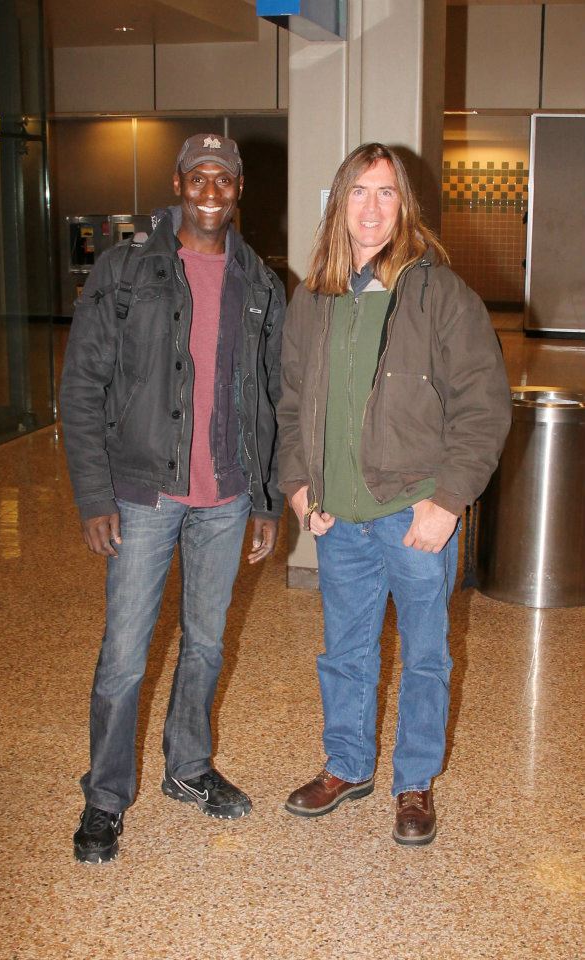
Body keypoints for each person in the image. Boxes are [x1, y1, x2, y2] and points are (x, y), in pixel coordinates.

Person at [277, 142, 511, 845]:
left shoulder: (438, 293)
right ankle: (346, 765)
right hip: (338, 519)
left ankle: (412, 782)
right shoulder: (313, 297)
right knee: (343, 654)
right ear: (338, 204)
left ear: (402, 205)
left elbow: (483, 406)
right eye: (358, 192)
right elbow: (289, 402)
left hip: (414, 516)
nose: (371, 208)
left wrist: (449, 502)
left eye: (385, 193)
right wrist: (295, 485)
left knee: (425, 657)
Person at [60, 134, 285, 863]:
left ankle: (188, 769)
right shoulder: (127, 269)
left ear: (239, 187)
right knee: (125, 654)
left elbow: (271, 399)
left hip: (225, 495)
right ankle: (104, 796)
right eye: (199, 176)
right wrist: (95, 493)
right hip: (142, 494)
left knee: (208, 642)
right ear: (179, 182)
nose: (211, 188)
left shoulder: (259, 281)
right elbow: (82, 385)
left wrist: (264, 499)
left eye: (224, 176)